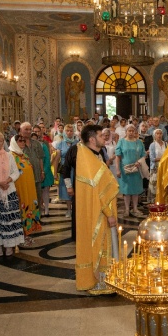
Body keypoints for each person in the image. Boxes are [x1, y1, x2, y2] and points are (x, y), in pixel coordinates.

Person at [70, 125, 119, 294]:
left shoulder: (91, 156)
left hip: (99, 209)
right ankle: (99, 281)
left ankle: (105, 279)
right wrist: (109, 213)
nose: (104, 137)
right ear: (92, 139)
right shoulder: (88, 159)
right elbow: (100, 191)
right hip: (98, 211)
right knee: (99, 243)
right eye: (100, 135)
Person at [9, 135, 42, 242]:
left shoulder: (23, 155)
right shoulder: (10, 156)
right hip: (19, 188)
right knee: (20, 210)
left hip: (29, 188)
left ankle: (26, 233)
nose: (23, 143)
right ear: (14, 142)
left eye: (24, 141)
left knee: (29, 208)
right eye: (20, 141)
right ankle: (21, 235)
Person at [115, 124, 146, 217]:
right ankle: (127, 209)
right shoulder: (121, 142)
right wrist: (117, 169)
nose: (131, 133)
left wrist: (139, 162)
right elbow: (118, 156)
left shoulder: (139, 142)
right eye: (129, 131)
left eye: (133, 131)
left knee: (135, 190)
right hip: (125, 169)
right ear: (126, 131)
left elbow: (144, 155)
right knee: (127, 190)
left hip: (136, 169)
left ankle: (135, 209)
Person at [53, 124, 77, 218]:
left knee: (75, 188)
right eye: (67, 131)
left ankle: (75, 209)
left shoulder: (77, 143)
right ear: (64, 132)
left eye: (71, 131)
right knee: (66, 189)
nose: (69, 133)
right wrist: (55, 173)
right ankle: (68, 209)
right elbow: (56, 159)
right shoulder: (61, 143)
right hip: (65, 169)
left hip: (75, 169)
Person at [19, 122, 45, 209]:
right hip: (24, 177)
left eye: (30, 129)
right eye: (26, 129)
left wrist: (42, 171)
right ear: (21, 130)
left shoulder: (36, 143)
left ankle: (37, 219)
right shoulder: (17, 143)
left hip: (37, 175)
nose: (29, 131)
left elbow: (40, 158)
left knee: (37, 197)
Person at [33, 125, 54, 217]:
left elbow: (47, 158)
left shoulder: (43, 144)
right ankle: (38, 209)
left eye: (38, 131)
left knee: (45, 190)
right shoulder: (28, 145)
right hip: (34, 171)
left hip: (44, 170)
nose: (36, 133)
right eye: (35, 131)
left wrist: (44, 171)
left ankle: (46, 209)